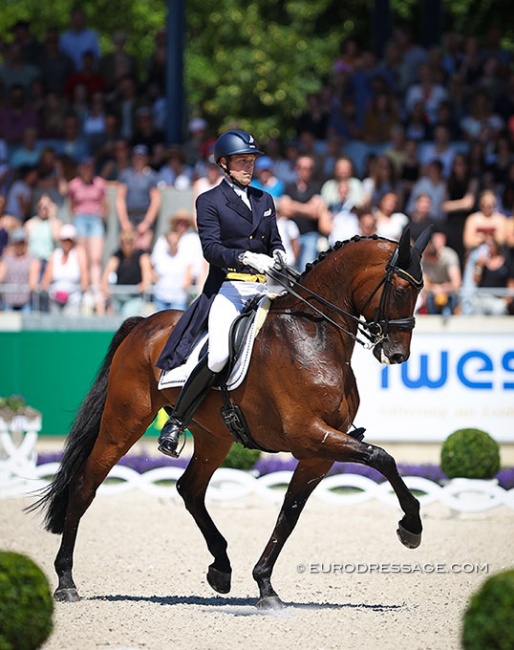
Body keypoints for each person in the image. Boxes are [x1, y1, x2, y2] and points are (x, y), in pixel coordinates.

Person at [155, 129, 286, 458]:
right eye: (242, 161)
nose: (249, 166)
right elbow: (211, 249)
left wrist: (280, 253)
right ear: (224, 164)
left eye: (251, 160)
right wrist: (243, 256)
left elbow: (273, 240)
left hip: (265, 286)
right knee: (218, 355)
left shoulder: (264, 199)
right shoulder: (209, 201)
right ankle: (177, 422)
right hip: (230, 285)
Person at [65, 157, 108, 293]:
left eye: (89, 166)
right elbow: (71, 204)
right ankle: (84, 287)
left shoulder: (100, 183)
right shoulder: (73, 184)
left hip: (95, 218)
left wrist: (100, 215)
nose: (86, 169)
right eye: (84, 166)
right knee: (82, 256)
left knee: (95, 258)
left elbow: (105, 203)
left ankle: (96, 289)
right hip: (80, 218)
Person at [278, 155, 327, 270]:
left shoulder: (316, 187)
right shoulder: (288, 187)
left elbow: (315, 212)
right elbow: (284, 210)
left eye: (309, 168)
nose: (305, 171)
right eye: (302, 167)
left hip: (310, 234)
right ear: (296, 168)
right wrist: (307, 207)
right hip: (290, 235)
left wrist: (293, 206)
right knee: (289, 269)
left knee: (306, 269)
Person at [115, 144, 161, 251]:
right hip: (129, 214)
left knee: (143, 248)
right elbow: (120, 199)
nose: (138, 159)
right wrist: (124, 221)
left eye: (141, 156)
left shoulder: (152, 176)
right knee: (127, 248)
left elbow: (156, 200)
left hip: (144, 214)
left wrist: (147, 222)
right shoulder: (125, 175)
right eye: (136, 156)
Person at [100, 230, 152, 317]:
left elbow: (147, 273)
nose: (126, 246)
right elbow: (107, 272)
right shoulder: (117, 255)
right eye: (124, 243)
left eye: (129, 242)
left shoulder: (142, 255)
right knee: (113, 315)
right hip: (119, 295)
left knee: (128, 314)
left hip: (134, 296)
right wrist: (105, 287)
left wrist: (144, 284)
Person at [40, 223, 89, 314]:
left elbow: (85, 278)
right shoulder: (55, 254)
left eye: (69, 240)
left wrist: (72, 292)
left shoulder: (79, 254)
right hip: (54, 300)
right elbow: (46, 279)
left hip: (73, 300)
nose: (66, 243)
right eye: (64, 240)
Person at [420, 227, 462, 317]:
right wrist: (435, 289)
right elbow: (424, 284)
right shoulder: (423, 260)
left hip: (449, 292)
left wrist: (444, 289)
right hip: (431, 294)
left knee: (451, 301)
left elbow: (456, 284)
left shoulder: (449, 256)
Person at [0, 228, 40, 313]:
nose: (19, 245)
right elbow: (1, 277)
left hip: (25, 302)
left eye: (22, 242)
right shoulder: (6, 259)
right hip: (8, 302)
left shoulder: (32, 259)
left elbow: (33, 282)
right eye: (17, 242)